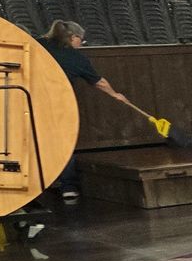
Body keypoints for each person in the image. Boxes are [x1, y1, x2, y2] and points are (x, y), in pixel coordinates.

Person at [41, 20, 137, 203]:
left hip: (26, 101)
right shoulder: (75, 58)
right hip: (58, 105)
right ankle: (68, 187)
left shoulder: (38, 44)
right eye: (81, 40)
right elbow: (99, 82)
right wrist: (115, 94)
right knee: (64, 145)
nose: (81, 44)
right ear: (73, 37)